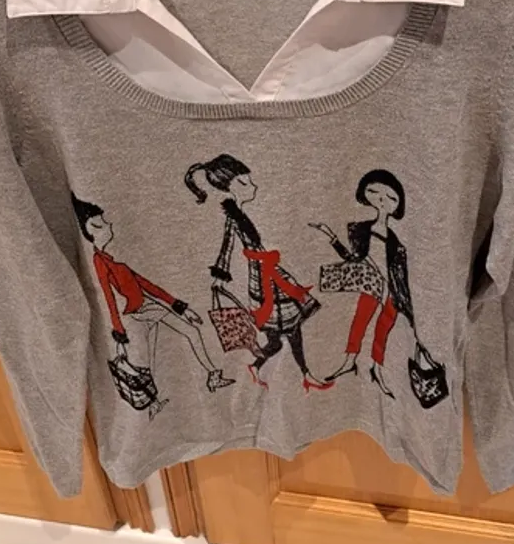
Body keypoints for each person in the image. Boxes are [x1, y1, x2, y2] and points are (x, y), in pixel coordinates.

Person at [184, 155, 329, 391]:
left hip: (269, 272)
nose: (253, 186)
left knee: (282, 334)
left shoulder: (240, 213)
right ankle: (303, 373)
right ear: (229, 187)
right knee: (288, 330)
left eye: (250, 181)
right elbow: (226, 247)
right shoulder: (233, 216)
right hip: (263, 277)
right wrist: (219, 277)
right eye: (244, 182)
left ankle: (278, 369)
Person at [71, 193, 233, 399]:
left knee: (188, 332)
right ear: (90, 231)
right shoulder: (99, 261)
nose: (108, 225)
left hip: (148, 305)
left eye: (104, 221)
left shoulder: (115, 259)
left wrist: (180, 306)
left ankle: (213, 376)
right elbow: (108, 297)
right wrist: (119, 331)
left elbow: (147, 285)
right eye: (99, 224)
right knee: (147, 360)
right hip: (134, 315)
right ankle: (153, 400)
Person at [311, 169, 414, 396]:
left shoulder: (398, 244)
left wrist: (407, 307)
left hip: (392, 291)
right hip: (371, 284)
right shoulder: (361, 230)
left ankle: (378, 369)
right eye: (375, 192)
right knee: (360, 321)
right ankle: (350, 361)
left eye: (391, 197)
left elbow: (402, 276)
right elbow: (352, 259)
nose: (382, 200)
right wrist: (331, 237)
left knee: (382, 330)